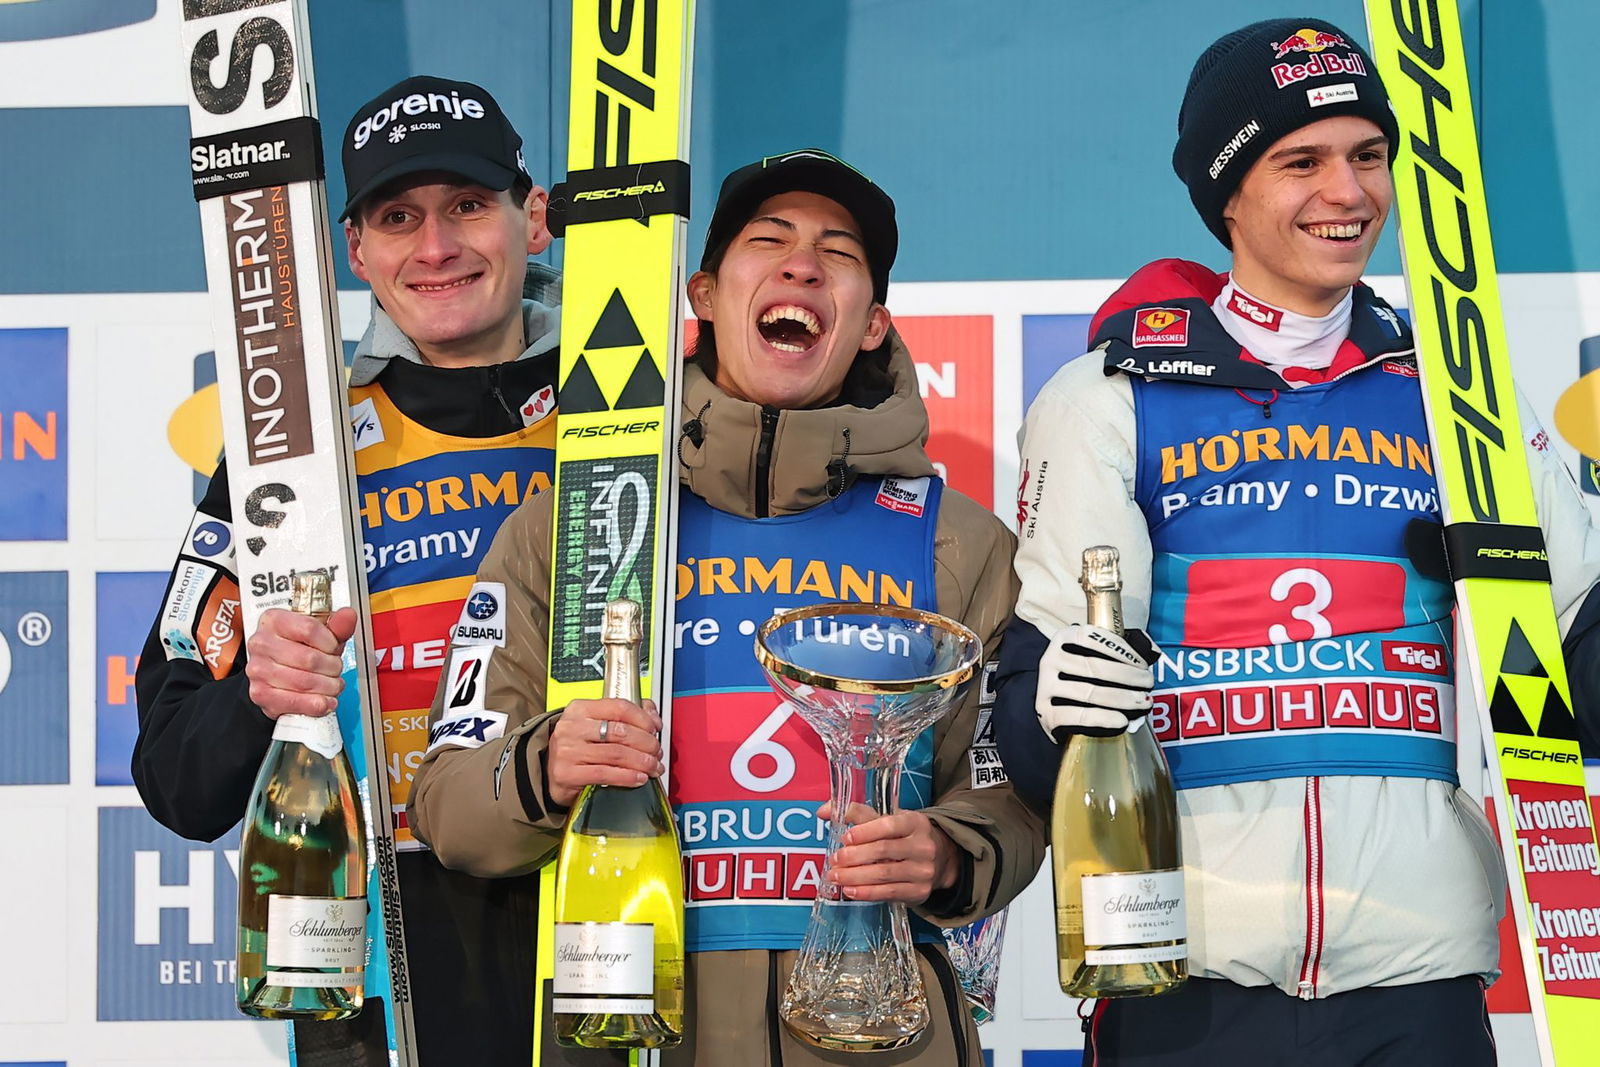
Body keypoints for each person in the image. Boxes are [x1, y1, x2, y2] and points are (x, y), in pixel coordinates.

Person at [994, 19, 1600, 1066]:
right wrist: (1050, 701)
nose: (1348, 192)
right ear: (1227, 192)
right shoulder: (1112, 395)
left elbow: (1576, 656)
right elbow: (1039, 706)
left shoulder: (1458, 394)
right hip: (1188, 972)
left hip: (1418, 978)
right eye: (1301, 161)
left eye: (1368, 156)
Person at [408, 148, 1044, 1065]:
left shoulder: (961, 541)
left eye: (838, 252)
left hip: (881, 1032)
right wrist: (544, 762)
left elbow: (1009, 789)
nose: (801, 265)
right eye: (769, 241)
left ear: (872, 324)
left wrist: (951, 851)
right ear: (704, 295)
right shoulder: (577, 523)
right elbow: (448, 803)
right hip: (635, 1023)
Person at [132, 75, 561, 1064]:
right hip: (374, 966)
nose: (437, 246)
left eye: (467, 206)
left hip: (601, 922)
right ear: (354, 250)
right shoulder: (289, 449)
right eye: (399, 216)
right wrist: (258, 695)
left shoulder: (634, 426)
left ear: (531, 218)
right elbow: (175, 775)